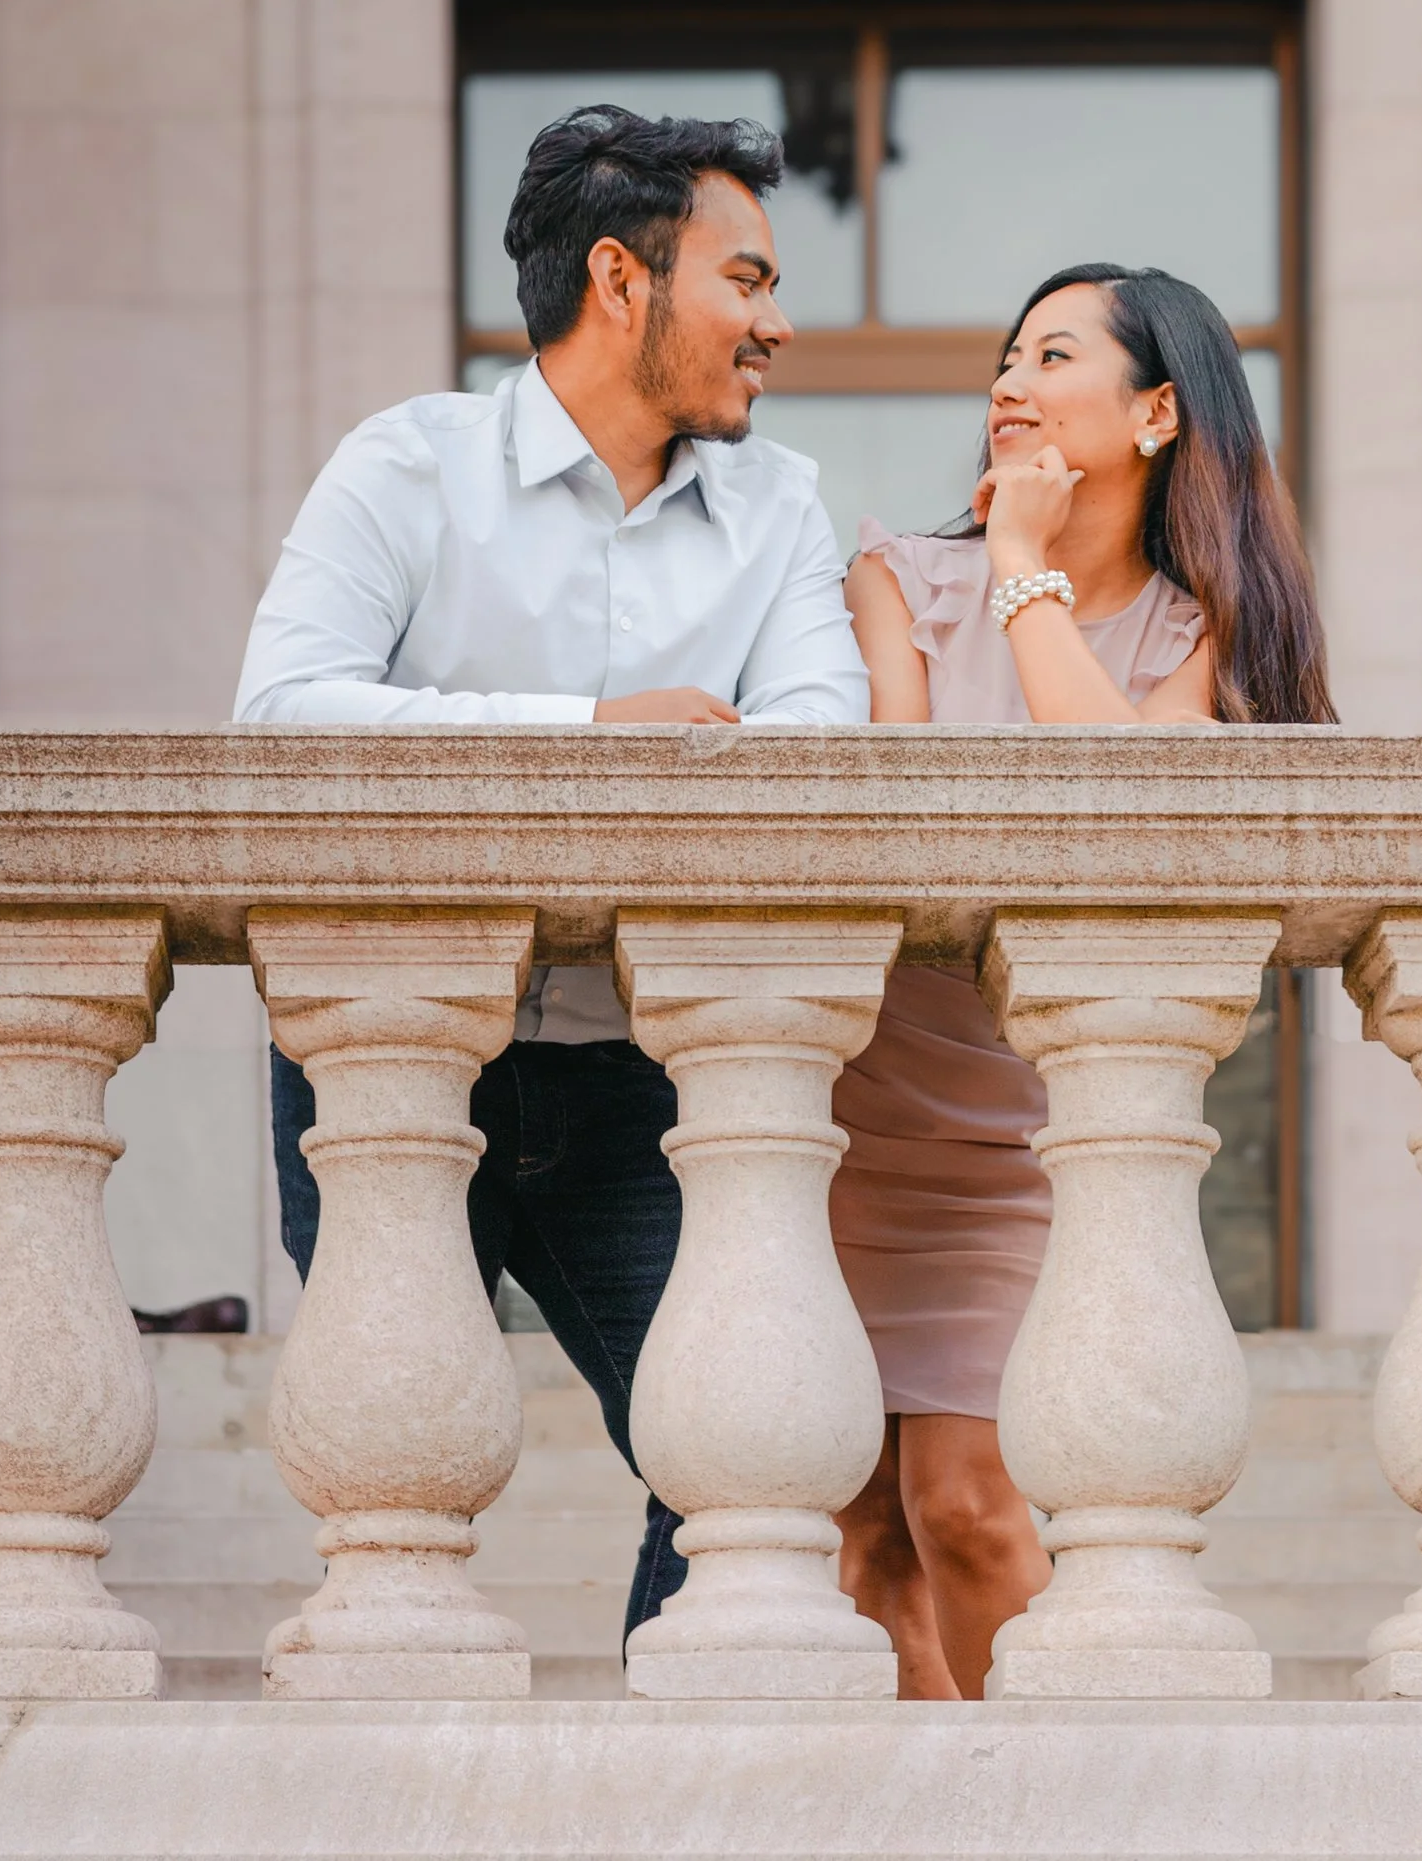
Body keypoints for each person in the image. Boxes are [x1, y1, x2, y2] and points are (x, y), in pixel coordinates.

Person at [233, 103, 869, 1640]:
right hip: (391, 1064)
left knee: (748, 1469)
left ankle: (666, 1778)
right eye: (749, 279)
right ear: (621, 280)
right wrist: (600, 734)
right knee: (391, 1483)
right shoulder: (404, 468)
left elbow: (811, 753)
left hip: (644, 1081)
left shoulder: (779, 507)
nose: (776, 325)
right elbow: (284, 714)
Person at [830, 260, 1334, 1699]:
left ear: (1159, 410)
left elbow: (1115, 808)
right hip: (852, 1116)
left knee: (971, 1509)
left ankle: (1053, 1803)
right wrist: (989, 571)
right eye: (1005, 356)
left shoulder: (1195, 633)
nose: (1010, 382)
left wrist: (1020, 570)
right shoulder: (894, 577)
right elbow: (913, 824)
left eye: (1053, 357)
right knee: (862, 1531)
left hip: (1026, 1138)